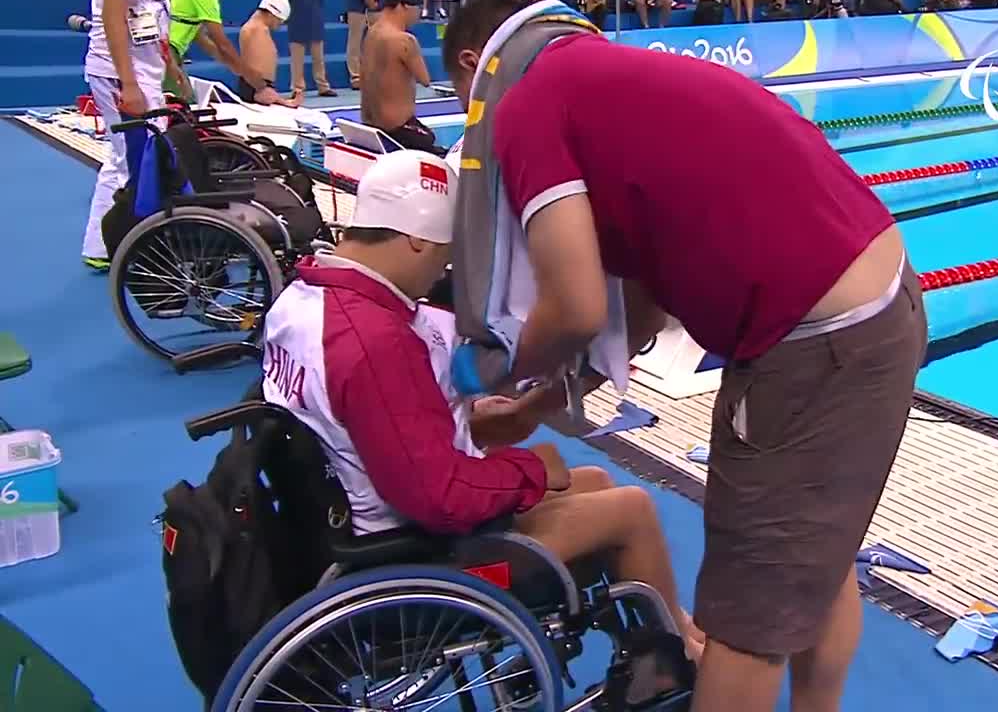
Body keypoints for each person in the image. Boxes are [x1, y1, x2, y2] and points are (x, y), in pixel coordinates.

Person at [442, 1, 927, 712]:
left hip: (818, 340)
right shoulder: (601, 78)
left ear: (472, 66)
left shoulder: (522, 104)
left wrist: (506, 375)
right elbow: (640, 301)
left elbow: (574, 305)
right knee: (816, 561)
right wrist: (547, 400)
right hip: (872, 303)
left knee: (744, 623)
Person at [260, 149, 704, 663]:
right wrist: (529, 470)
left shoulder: (306, 296)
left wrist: (460, 417)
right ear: (417, 239)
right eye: (443, 254)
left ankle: (670, 622)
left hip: (352, 516)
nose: (444, 270)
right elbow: (440, 496)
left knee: (597, 482)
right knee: (631, 508)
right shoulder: (372, 340)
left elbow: (355, 417)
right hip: (410, 554)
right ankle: (678, 657)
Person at [81, 0, 171, 271]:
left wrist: (171, 66)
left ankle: (101, 245)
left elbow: (151, 16)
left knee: (122, 158)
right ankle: (131, 245)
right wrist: (128, 84)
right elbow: (113, 17)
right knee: (135, 163)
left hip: (142, 71)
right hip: (120, 75)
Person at [165, 0, 285, 105]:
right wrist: (259, 85)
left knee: (186, 100)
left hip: (167, 51)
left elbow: (201, 38)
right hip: (166, 52)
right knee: (180, 106)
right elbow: (223, 45)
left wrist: (231, 64)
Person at [360, 0, 444, 153]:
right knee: (430, 139)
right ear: (403, 6)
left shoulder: (371, 32)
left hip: (369, 124)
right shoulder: (404, 40)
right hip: (398, 130)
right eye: (418, 8)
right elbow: (425, 79)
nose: (419, 14)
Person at [236, 0, 301, 105]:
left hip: (258, 88)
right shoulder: (256, 30)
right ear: (272, 13)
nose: (280, 25)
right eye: (280, 20)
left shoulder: (257, 28)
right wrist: (276, 98)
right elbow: (254, 71)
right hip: (258, 89)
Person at [287, 0, 337, 98]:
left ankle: (323, 86)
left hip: (314, 15)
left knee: (318, 56)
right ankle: (297, 88)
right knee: (297, 57)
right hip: (296, 16)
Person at [345, 0, 381, 89]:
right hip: (356, 4)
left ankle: (379, 73)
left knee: (379, 40)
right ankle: (355, 76)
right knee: (355, 41)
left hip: (377, 4)